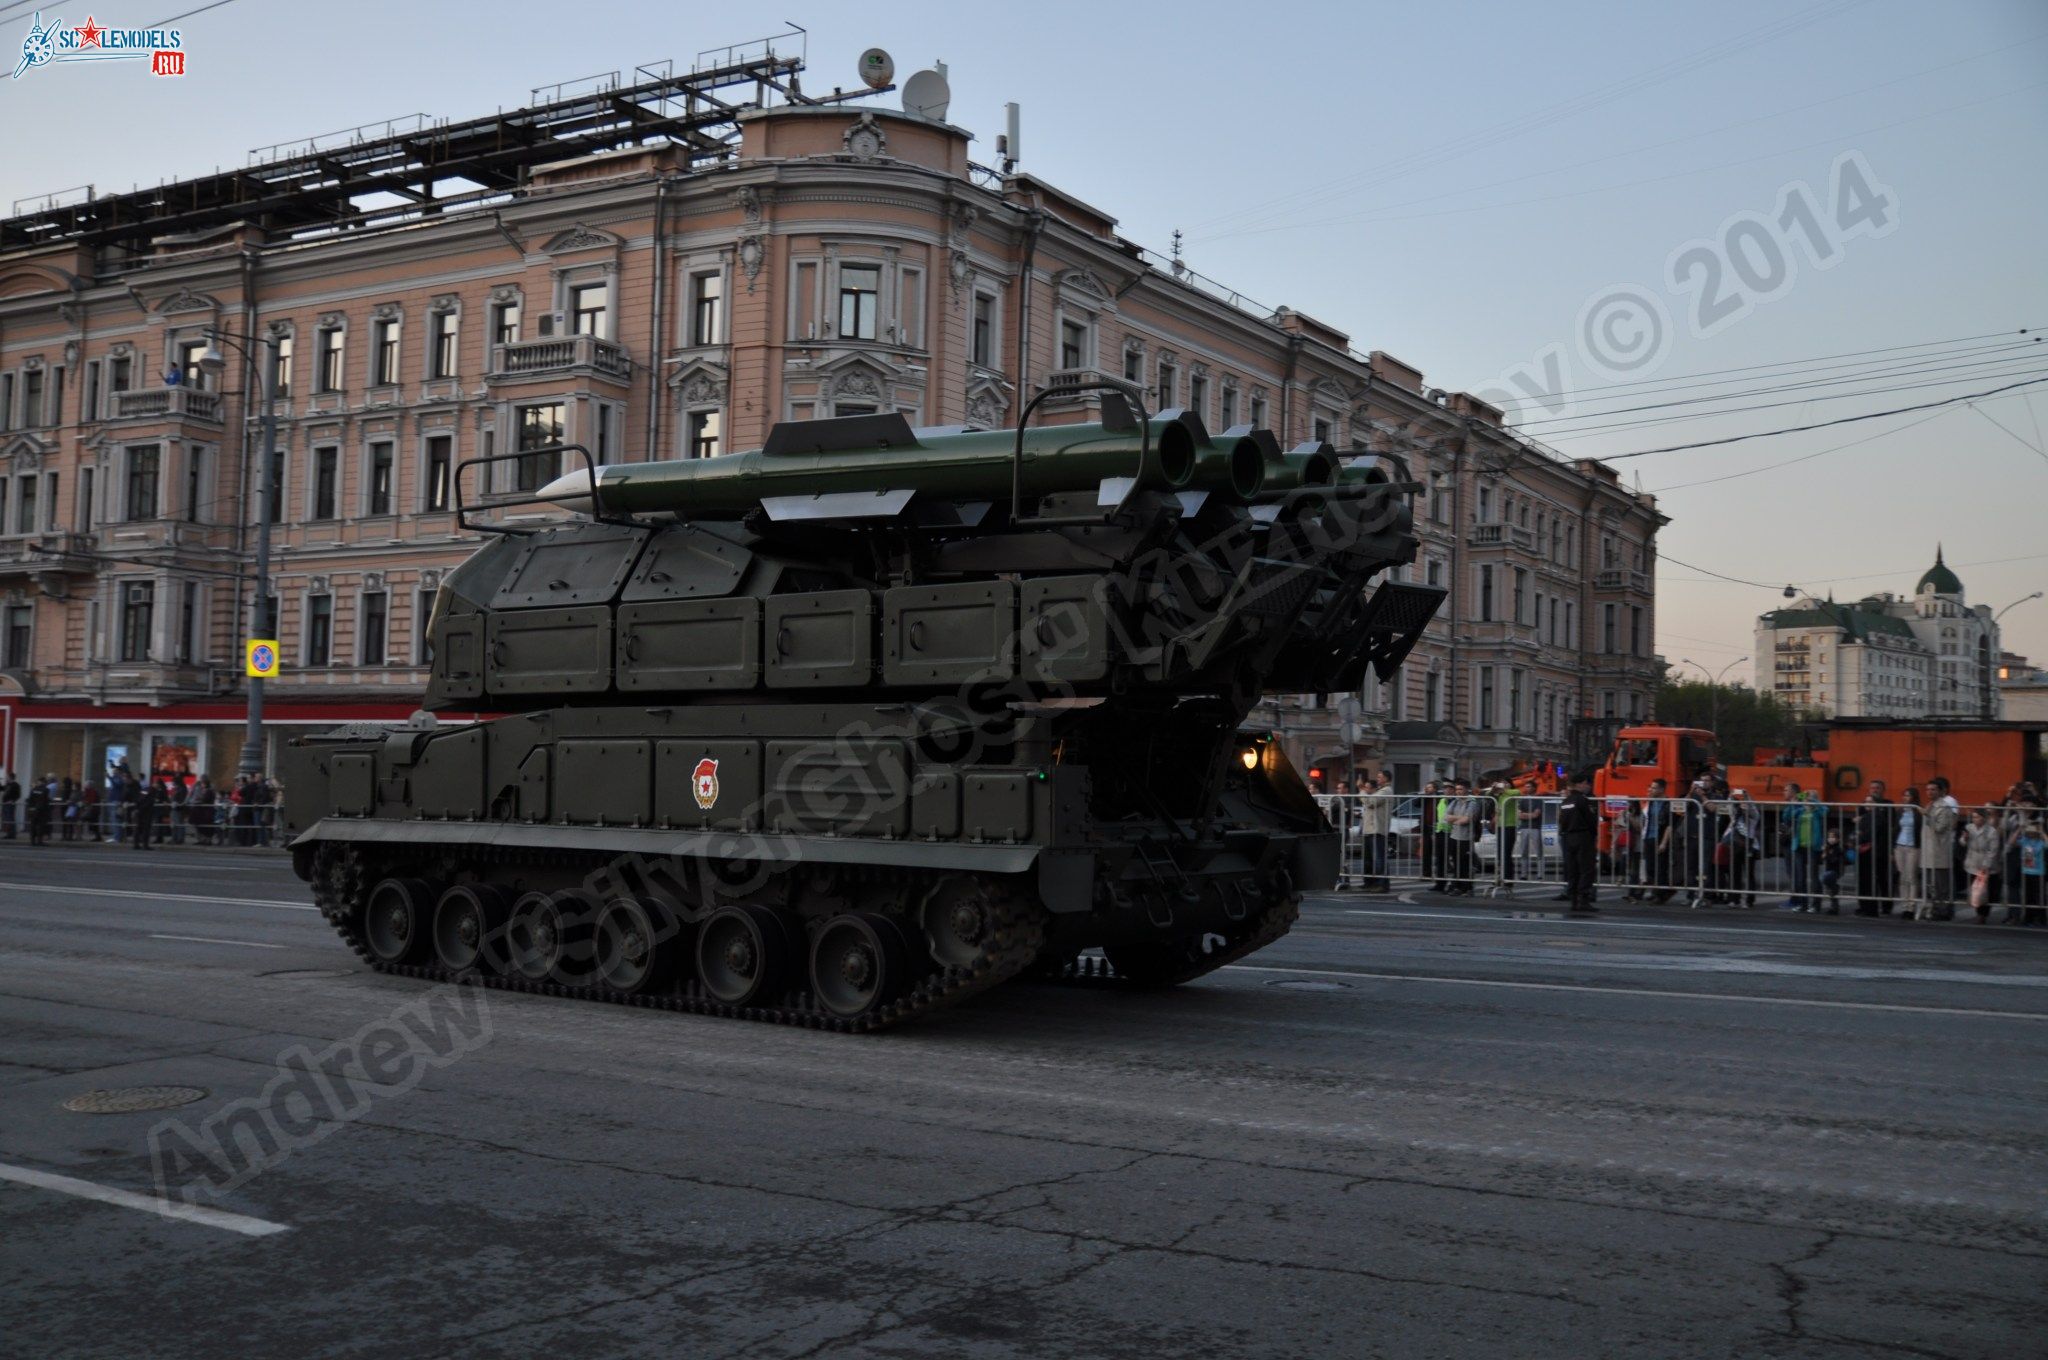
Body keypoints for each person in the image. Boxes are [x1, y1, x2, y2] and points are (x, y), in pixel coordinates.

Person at [1558, 769, 1599, 913]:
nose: (1588, 786)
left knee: (1573, 870)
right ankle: (1584, 900)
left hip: (1568, 838)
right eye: (1586, 783)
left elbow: (1561, 821)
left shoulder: (1566, 801)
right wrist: (1594, 835)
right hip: (1583, 837)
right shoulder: (1583, 800)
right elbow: (1591, 820)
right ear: (1580, 784)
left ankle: (1574, 901)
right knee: (1586, 869)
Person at [1922, 777, 1961, 921]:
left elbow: (1940, 828)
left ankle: (1944, 911)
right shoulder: (1930, 805)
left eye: (1933, 789)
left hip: (1940, 849)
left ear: (1940, 791)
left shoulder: (1944, 806)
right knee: (1932, 883)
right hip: (1930, 850)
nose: (1929, 792)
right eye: (1927, 789)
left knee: (1942, 884)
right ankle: (1935, 909)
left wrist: (1927, 816)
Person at [1854, 781, 1894, 916]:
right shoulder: (1865, 813)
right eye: (1866, 802)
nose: (1867, 804)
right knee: (1865, 879)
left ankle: (1877, 906)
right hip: (1867, 851)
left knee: (1878, 878)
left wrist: (1860, 836)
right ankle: (1865, 905)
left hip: (1877, 850)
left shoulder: (1885, 809)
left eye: (1877, 788)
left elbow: (1870, 833)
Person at [1783, 785, 1823, 912]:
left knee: (1813, 876)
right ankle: (1803, 903)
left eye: (1808, 797)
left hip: (1813, 846)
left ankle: (1816, 905)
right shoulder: (1800, 810)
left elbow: (1825, 810)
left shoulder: (1817, 811)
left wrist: (1814, 801)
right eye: (1805, 797)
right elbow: (1787, 817)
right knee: (1800, 877)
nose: (1806, 799)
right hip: (1799, 846)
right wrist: (1793, 803)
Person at [1964, 808, 2003, 924]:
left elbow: (1993, 850)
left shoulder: (1991, 831)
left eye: (1978, 817)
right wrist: (1964, 838)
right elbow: (1962, 842)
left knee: (1986, 891)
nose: (1975, 819)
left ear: (1984, 818)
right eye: (1974, 817)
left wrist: (1986, 865)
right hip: (1973, 862)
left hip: (1986, 864)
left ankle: (1983, 914)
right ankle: (1978, 912)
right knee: (1976, 889)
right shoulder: (1969, 828)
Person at [1358, 772, 1392, 893]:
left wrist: (1362, 791)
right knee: (1368, 858)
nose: (1377, 779)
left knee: (1379, 858)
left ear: (1386, 778)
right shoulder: (1379, 791)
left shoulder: (1386, 791)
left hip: (1377, 829)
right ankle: (1369, 882)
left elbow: (1371, 802)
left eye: (1379, 777)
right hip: (1369, 829)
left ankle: (1382, 883)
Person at [1444, 780, 1480, 894]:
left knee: (1465, 864)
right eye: (1457, 789)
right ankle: (1458, 886)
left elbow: (1466, 820)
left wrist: (1455, 819)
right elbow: (1446, 816)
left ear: (1466, 790)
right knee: (1456, 863)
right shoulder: (1455, 802)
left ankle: (1465, 887)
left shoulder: (1472, 803)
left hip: (1466, 838)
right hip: (1454, 836)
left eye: (1460, 789)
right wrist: (1458, 818)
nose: (1458, 792)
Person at [1893, 786, 1923, 920]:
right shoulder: (1900, 811)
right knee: (1902, 876)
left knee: (1911, 876)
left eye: (1908, 795)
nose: (1905, 798)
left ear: (1914, 797)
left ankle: (1911, 907)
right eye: (1904, 795)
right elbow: (1895, 828)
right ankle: (1904, 905)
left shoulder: (1918, 812)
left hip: (1913, 846)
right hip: (1900, 845)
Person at [1818, 828, 1846, 914]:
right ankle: (1834, 908)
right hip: (1829, 871)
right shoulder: (1828, 847)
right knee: (1831, 889)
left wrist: (1826, 854)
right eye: (1829, 837)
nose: (1830, 839)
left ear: (1838, 839)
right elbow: (1822, 859)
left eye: (1833, 837)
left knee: (1824, 879)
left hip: (1835, 871)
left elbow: (1834, 860)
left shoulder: (1838, 848)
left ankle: (1835, 890)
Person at [131, 776, 158, 851]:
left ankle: (136, 844)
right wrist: (141, 809)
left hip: (140, 811)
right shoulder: (153, 791)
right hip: (146, 812)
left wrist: (137, 808)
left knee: (138, 828)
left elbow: (139, 798)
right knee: (146, 829)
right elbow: (149, 802)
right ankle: (145, 845)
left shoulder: (145, 789)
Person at [24, 777, 52, 846]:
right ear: (44, 782)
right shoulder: (46, 790)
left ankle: (32, 841)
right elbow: (46, 801)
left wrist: (30, 808)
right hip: (41, 811)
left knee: (33, 826)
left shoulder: (33, 789)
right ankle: (39, 841)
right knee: (41, 826)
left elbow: (30, 800)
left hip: (33, 811)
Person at [1, 770, 17, 839]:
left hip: (10, 804)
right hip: (5, 804)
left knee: (10, 819)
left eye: (7, 777)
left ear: (11, 777)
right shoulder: (8, 784)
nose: (6, 778)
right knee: (6, 819)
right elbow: (2, 789)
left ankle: (12, 834)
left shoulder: (15, 785)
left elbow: (18, 795)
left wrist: (12, 800)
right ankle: (8, 833)